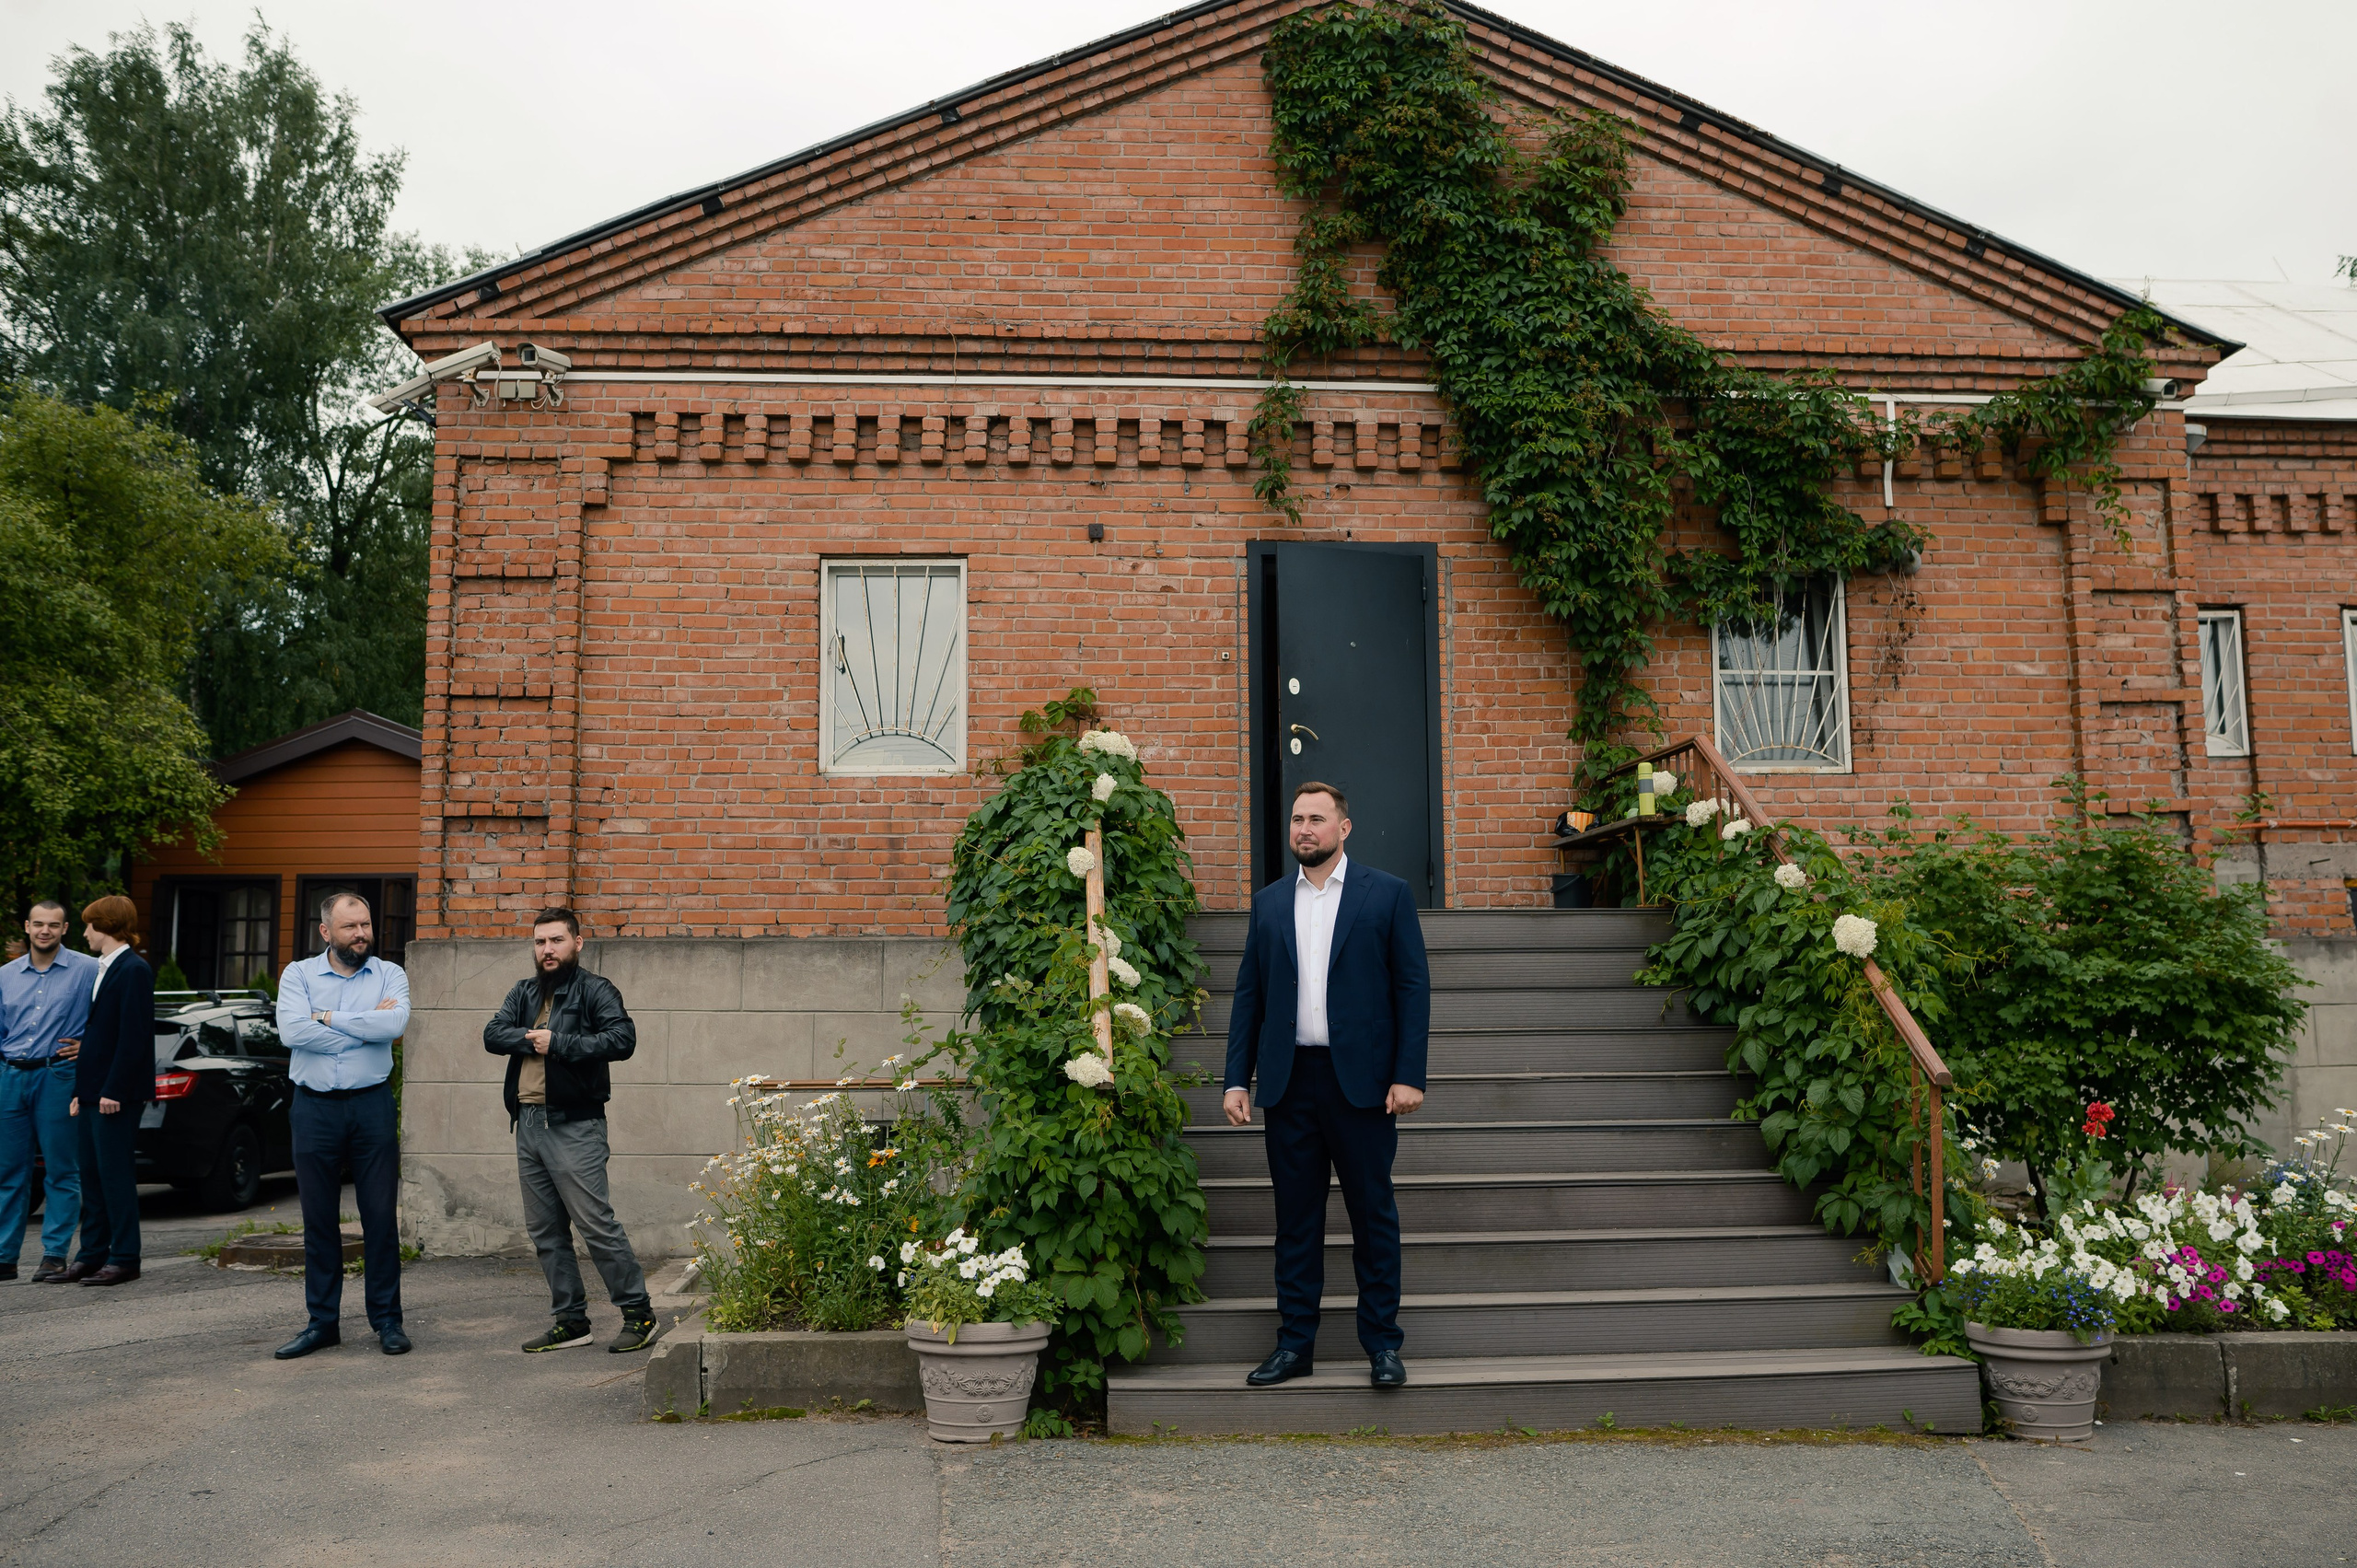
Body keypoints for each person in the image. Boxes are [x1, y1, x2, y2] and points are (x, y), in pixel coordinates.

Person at [1223, 782, 1431, 1390]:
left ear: (1344, 827)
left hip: (1362, 1085)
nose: (1304, 828)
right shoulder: (1268, 903)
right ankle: (1295, 1345)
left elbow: (1412, 988)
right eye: (1297, 819)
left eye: (1317, 818)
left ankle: (1383, 1345)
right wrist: (1237, 1079)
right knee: (1295, 1222)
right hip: (1290, 1084)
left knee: (1373, 1218)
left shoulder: (1386, 894)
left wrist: (1408, 1074)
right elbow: (1249, 997)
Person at [482, 907, 657, 1353]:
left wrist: (558, 1042)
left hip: (574, 1125)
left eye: (556, 940)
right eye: (540, 942)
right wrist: (531, 1037)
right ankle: (571, 1321)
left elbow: (622, 1040)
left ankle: (639, 1315)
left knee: (595, 1224)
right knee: (545, 1231)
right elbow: (492, 1034)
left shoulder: (595, 989)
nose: (547, 950)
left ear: (577, 943)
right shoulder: (523, 991)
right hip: (527, 1123)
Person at [273, 891, 411, 1358]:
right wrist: (363, 1030)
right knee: (319, 1220)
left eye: (365, 925)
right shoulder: (298, 974)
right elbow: (292, 1031)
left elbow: (393, 1027)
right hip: (313, 1109)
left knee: (380, 1219)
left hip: (372, 1106)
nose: (361, 934)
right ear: (326, 931)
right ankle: (322, 1323)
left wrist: (327, 1019)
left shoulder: (390, 973)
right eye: (350, 927)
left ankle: (387, 1320)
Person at [1, 900, 96, 1282]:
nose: (45, 931)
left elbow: (112, 1017)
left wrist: (90, 1046)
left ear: (65, 929)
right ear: (26, 926)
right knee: (8, 1171)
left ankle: (54, 1255)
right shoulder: (5, 975)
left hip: (58, 1076)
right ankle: (4, 1256)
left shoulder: (88, 969)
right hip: (10, 1076)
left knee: (61, 1169)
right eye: (38, 924)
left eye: (53, 925)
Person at [64, 895, 154, 1285]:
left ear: (105, 925)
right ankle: (91, 1255)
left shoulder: (133, 969)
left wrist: (113, 1089)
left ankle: (125, 1258)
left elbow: (133, 1037)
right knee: (92, 1176)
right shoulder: (105, 968)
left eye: (89, 924)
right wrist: (80, 1091)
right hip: (93, 1093)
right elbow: (98, 1038)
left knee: (115, 1178)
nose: (85, 932)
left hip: (116, 1095)